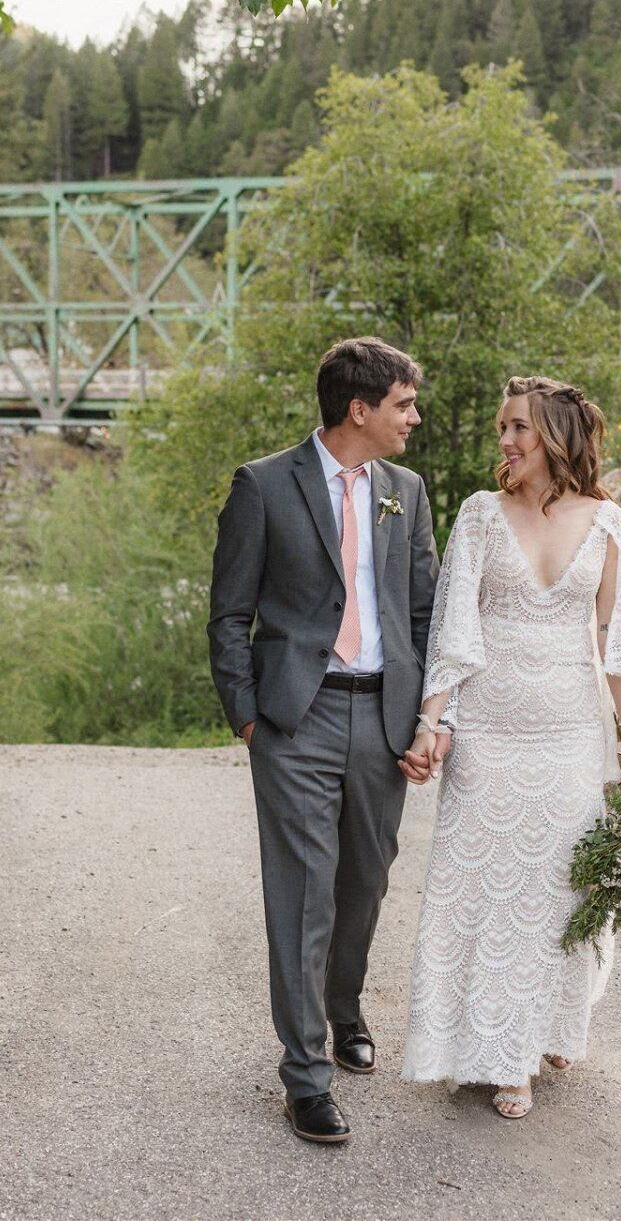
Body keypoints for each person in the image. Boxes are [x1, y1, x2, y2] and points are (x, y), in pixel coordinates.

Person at [399, 374, 621, 1119]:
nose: (506, 441)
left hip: (570, 737)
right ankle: (501, 1057)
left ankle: (544, 1029)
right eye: (503, 428)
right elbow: (455, 630)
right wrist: (432, 723)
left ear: (554, 437)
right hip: (489, 735)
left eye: (518, 427)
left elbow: (619, 647)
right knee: (485, 892)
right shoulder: (480, 515)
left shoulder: (608, 524)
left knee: (556, 890)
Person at [207, 337, 447, 1145]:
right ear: (359, 408)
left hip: (384, 717)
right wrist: (249, 715)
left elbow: (424, 614)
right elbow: (228, 614)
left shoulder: (406, 492)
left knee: (365, 882)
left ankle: (344, 1008)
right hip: (296, 720)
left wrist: (427, 719)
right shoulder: (263, 486)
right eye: (404, 404)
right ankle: (306, 1075)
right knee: (303, 892)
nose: (415, 417)